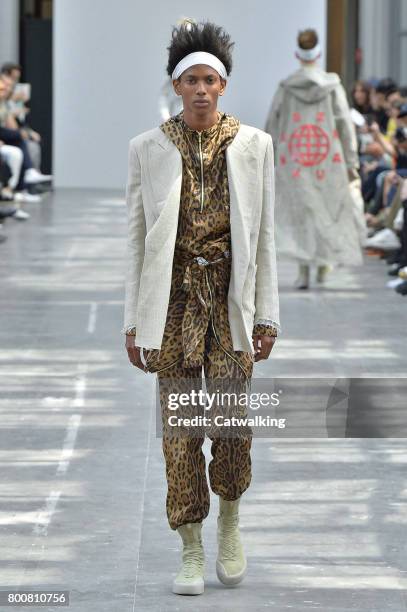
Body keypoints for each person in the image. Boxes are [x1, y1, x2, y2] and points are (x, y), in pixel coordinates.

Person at [122, 20, 280, 596]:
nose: (201, 89)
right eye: (191, 79)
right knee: (181, 431)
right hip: (173, 304)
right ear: (176, 85)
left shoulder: (255, 146)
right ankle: (191, 546)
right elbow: (136, 239)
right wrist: (133, 323)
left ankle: (231, 520)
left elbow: (264, 238)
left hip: (232, 304)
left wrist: (268, 315)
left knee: (233, 423)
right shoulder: (149, 148)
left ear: (224, 85)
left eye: (210, 79)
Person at [265, 28, 363, 289]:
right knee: (325, 210)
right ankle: (322, 263)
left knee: (301, 213)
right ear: (318, 53)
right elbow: (344, 124)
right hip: (327, 159)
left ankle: (304, 270)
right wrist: (352, 161)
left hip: (294, 160)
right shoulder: (332, 87)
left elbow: (272, 123)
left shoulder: (286, 88)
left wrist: (268, 156)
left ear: (297, 54)